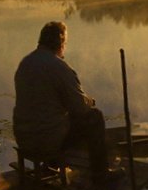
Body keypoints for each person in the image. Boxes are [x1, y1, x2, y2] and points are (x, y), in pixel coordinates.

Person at [13, 21, 109, 174]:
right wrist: (90, 101)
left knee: (52, 118)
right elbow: (80, 107)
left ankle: (51, 167)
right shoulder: (58, 67)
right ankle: (101, 178)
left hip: (24, 138)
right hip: (46, 141)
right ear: (61, 42)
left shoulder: (26, 63)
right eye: (65, 42)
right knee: (94, 117)